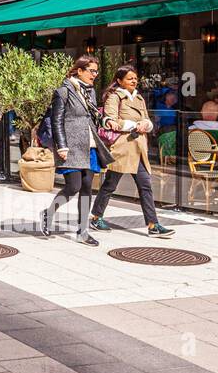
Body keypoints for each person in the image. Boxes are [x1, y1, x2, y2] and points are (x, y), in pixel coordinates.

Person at [90, 65, 176, 238]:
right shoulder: (114, 97)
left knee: (145, 185)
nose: (134, 81)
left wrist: (147, 124)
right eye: (130, 78)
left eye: (135, 78)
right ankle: (96, 217)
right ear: (120, 80)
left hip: (139, 148)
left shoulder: (139, 98)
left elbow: (147, 118)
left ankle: (153, 225)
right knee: (110, 185)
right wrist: (133, 125)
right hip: (123, 147)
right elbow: (110, 119)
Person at [42, 55, 112, 245]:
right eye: (92, 71)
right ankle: (48, 214)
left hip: (88, 144)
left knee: (88, 186)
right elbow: (56, 120)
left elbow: (94, 116)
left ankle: (83, 231)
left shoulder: (90, 92)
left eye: (96, 71)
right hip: (70, 145)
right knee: (73, 186)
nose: (95, 75)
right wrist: (61, 145)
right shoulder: (63, 91)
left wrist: (106, 121)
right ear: (79, 71)